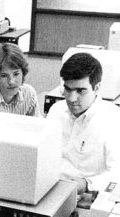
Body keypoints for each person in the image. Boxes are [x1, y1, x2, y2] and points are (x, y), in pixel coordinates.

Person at [47, 52, 120, 194]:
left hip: (88, 194)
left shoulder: (113, 119)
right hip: (52, 188)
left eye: (80, 91)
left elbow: (117, 174)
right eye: (67, 89)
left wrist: (87, 184)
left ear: (97, 87)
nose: (72, 98)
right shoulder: (56, 111)